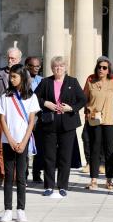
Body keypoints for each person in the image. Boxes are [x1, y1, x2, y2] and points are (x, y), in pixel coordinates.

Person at [34, 56, 86, 197]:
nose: (58, 68)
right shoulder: (46, 82)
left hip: (67, 124)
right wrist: (45, 103)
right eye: (56, 66)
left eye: (61, 66)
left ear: (65, 67)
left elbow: (83, 100)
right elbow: (34, 97)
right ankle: (49, 186)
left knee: (65, 156)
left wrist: (71, 108)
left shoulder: (72, 82)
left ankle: (63, 186)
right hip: (49, 123)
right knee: (49, 156)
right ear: (52, 68)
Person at [0, 63, 39, 222]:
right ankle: (7, 209)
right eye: (10, 76)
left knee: (21, 176)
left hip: (23, 142)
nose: (11, 79)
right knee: (8, 176)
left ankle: (21, 209)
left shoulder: (31, 97)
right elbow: (2, 120)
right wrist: (11, 140)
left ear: (22, 77)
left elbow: (31, 121)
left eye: (14, 76)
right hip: (8, 142)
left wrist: (23, 141)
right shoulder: (5, 97)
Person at [83, 56, 113, 190]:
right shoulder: (90, 81)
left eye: (104, 68)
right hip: (94, 120)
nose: (101, 70)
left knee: (109, 151)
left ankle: (109, 180)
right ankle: (93, 180)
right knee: (95, 149)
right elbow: (83, 98)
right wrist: (87, 109)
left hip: (109, 120)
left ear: (109, 70)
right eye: (99, 67)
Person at [0, 47, 23, 187]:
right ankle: (1, 175)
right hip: (2, 114)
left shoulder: (24, 74)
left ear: (19, 60)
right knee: (0, 147)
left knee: (18, 145)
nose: (10, 61)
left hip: (18, 116)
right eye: (9, 58)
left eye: (13, 59)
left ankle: (16, 177)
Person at [25, 56, 44, 183]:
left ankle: (37, 174)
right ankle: (23, 174)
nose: (36, 68)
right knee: (25, 146)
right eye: (33, 66)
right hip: (24, 117)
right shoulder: (22, 80)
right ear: (27, 66)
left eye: (38, 66)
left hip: (38, 118)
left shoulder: (42, 80)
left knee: (39, 146)